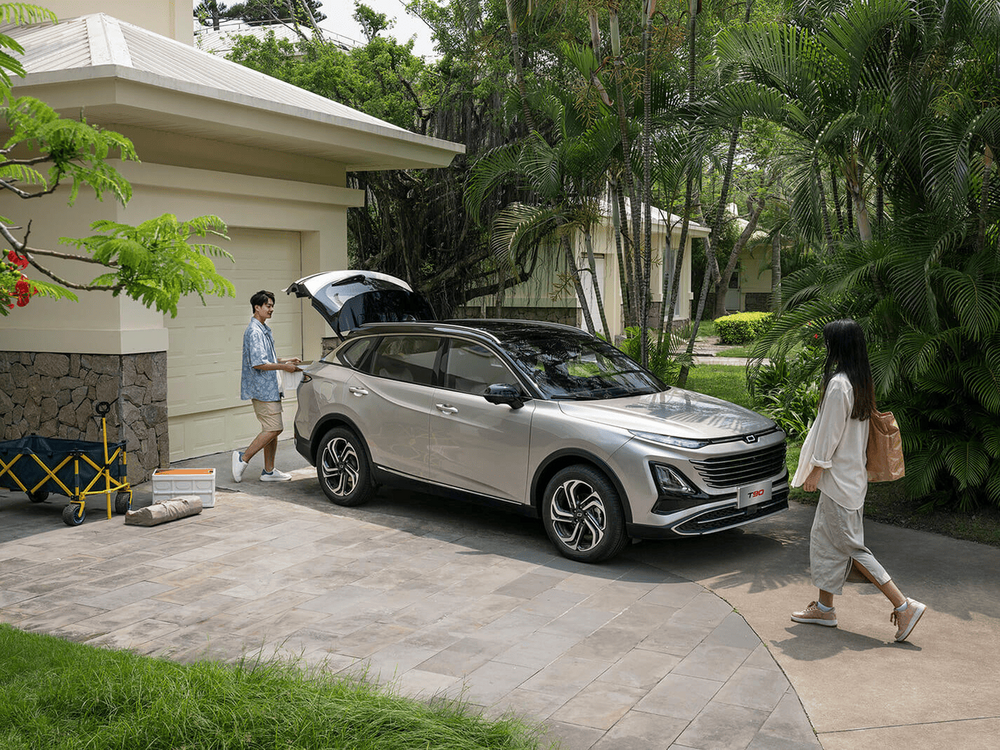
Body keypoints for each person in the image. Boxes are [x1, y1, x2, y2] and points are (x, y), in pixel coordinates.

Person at [790, 319, 926, 643]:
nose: (826, 347)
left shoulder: (839, 384)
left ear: (838, 346)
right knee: (824, 544)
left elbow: (830, 433)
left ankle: (904, 606)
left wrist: (816, 469)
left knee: (852, 549)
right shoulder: (859, 380)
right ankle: (825, 609)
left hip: (838, 482)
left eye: (829, 342)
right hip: (849, 479)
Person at [232, 290, 301, 483]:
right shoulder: (255, 332)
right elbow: (258, 363)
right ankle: (243, 457)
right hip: (262, 389)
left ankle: (269, 471)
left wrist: (286, 360)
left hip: (270, 389)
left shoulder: (262, 328)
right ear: (257, 307)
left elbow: (267, 358)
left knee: (271, 428)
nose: (271, 309)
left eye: (272, 306)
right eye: (268, 306)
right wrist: (285, 368)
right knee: (274, 428)